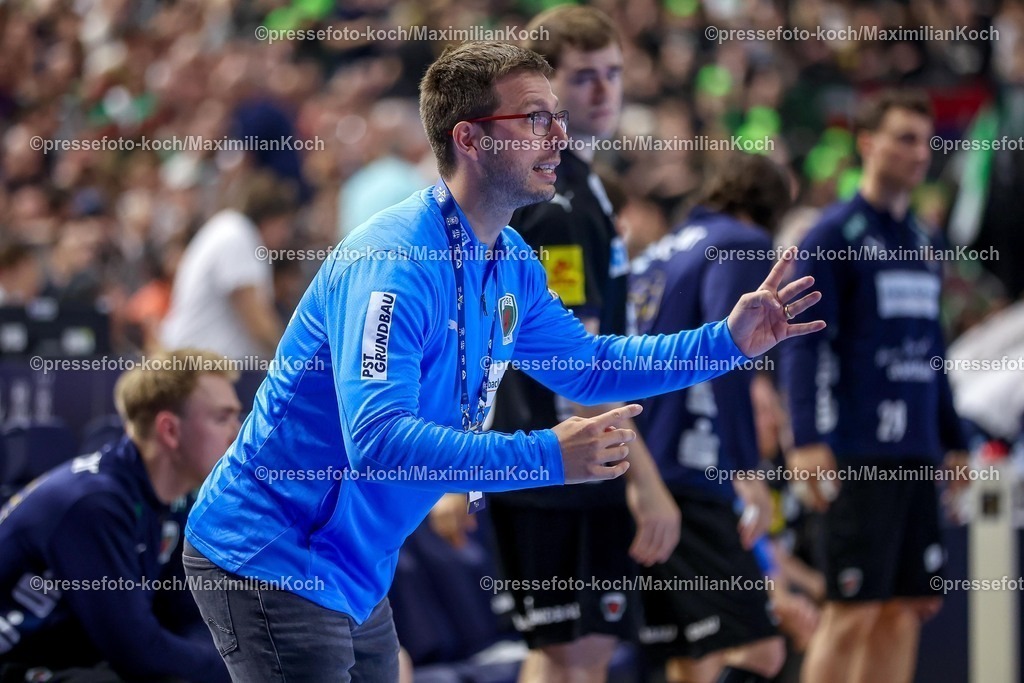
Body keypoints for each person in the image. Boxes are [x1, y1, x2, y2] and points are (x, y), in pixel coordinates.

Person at [182, 40, 824, 682]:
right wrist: (548, 455)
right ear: (471, 138)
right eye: (535, 119)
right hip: (271, 550)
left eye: (557, 117)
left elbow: (591, 367)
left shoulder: (510, 259)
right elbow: (376, 441)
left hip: (353, 562)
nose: (558, 135)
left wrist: (726, 342)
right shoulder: (396, 263)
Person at [462, 8, 681, 682]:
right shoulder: (554, 203)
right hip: (555, 459)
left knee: (567, 654)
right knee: (575, 655)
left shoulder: (579, 187)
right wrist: (645, 481)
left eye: (612, 74)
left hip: (553, 461)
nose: (602, 91)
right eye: (582, 78)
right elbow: (573, 370)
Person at [780, 90, 969, 683]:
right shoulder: (832, 234)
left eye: (926, 140)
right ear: (868, 143)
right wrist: (806, 437)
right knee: (852, 612)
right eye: (905, 138)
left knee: (905, 610)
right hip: (855, 451)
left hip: (915, 452)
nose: (920, 153)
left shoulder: (922, 238)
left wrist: (953, 438)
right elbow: (804, 343)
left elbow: (931, 350)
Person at [628, 153, 790, 683]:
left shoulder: (659, 250)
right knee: (760, 649)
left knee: (691, 657)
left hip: (642, 462)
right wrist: (747, 468)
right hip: (690, 471)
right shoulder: (742, 243)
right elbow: (729, 354)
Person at [0, 348, 240, 683]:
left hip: (63, 655)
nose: (238, 433)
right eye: (222, 418)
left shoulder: (174, 500)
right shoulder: (94, 504)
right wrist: (239, 671)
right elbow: (140, 653)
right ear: (170, 431)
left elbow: (189, 614)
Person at [160, 171, 295, 359]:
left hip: (202, 365)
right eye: (284, 225)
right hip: (197, 370)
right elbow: (255, 317)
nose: (285, 236)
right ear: (270, 219)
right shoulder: (237, 235)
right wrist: (295, 357)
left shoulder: (230, 231)